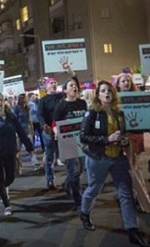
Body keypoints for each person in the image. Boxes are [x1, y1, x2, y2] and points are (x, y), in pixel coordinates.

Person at [79, 80, 149, 247]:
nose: (107, 93)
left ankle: (132, 229)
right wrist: (106, 139)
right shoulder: (92, 113)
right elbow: (83, 136)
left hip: (118, 157)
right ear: (98, 95)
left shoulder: (119, 113)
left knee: (126, 193)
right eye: (103, 91)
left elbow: (124, 134)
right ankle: (84, 212)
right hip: (98, 158)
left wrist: (124, 140)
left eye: (109, 90)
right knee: (94, 189)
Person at [0, 93, 35, 216]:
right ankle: (7, 205)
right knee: (0, 178)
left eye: (1, 100)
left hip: (10, 151)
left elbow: (20, 132)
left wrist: (29, 147)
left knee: (10, 177)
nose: (0, 102)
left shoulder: (11, 116)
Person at [52, 78, 87, 210]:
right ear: (65, 90)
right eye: (71, 85)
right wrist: (56, 132)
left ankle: (68, 184)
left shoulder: (82, 103)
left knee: (81, 168)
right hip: (68, 142)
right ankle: (78, 201)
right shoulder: (61, 105)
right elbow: (55, 123)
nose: (74, 87)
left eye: (75, 85)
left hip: (81, 141)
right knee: (74, 171)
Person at [37, 77, 64, 189]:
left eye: (55, 83)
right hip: (49, 131)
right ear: (47, 86)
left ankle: (72, 179)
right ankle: (50, 180)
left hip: (62, 129)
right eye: (51, 83)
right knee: (50, 157)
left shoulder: (61, 96)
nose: (54, 84)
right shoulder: (43, 100)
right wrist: (44, 125)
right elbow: (40, 115)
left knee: (69, 154)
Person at [114, 73, 145, 169]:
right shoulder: (114, 99)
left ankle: (136, 181)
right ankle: (137, 183)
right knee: (131, 163)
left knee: (136, 162)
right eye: (123, 81)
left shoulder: (138, 97)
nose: (126, 83)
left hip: (138, 131)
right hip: (125, 133)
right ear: (118, 84)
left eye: (128, 81)